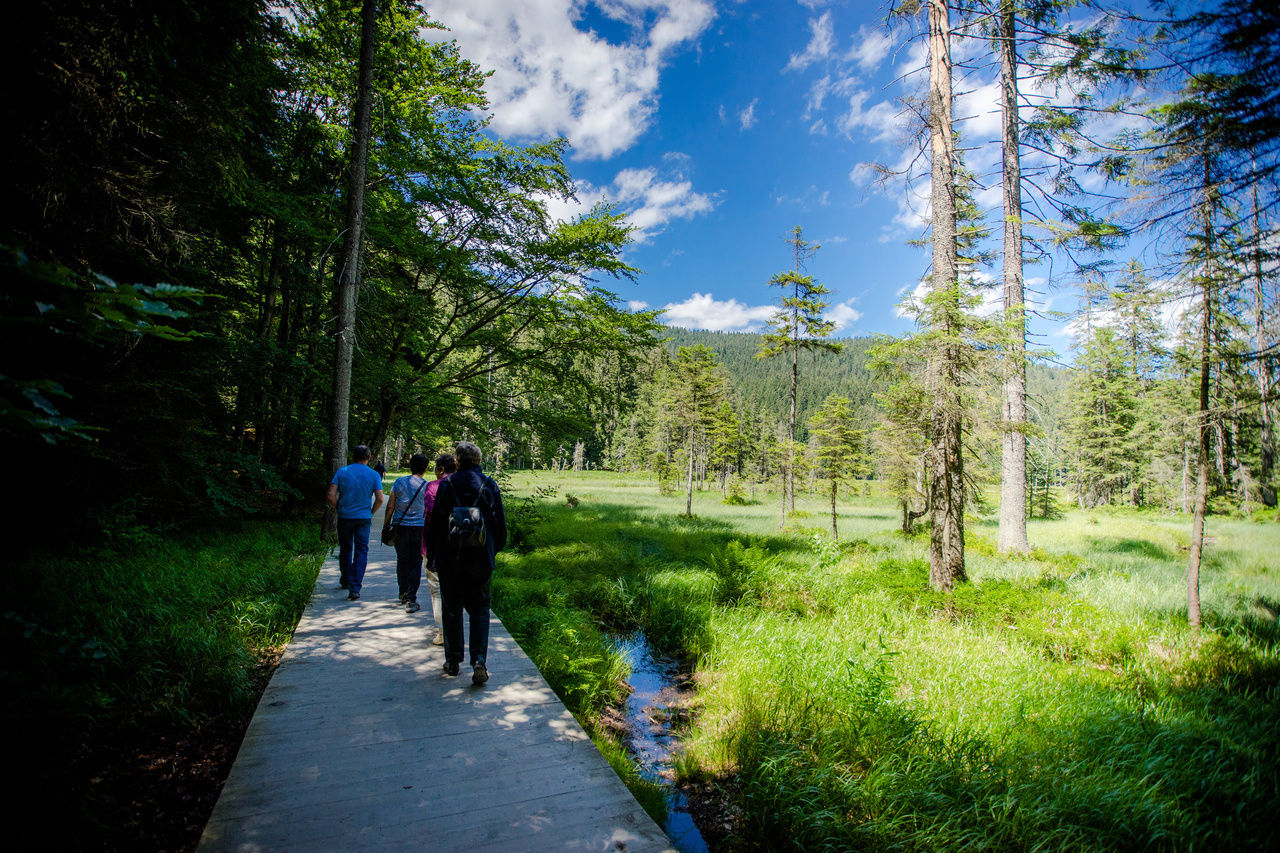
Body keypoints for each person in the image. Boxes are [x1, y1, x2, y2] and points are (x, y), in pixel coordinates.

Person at [427, 441, 506, 685]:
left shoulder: (448, 484)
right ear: (479, 461)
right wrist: (494, 549)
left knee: (451, 609)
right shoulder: (489, 484)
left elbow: (437, 522)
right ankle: (479, 661)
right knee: (480, 610)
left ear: (458, 461)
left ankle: (452, 661)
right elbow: (499, 525)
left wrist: (433, 556)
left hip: (451, 558)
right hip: (481, 560)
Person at [327, 444, 385, 601]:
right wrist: (371, 512)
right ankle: (355, 587)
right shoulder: (373, 475)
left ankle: (345, 579)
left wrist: (339, 507)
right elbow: (380, 498)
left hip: (345, 517)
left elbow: (331, 495)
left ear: (353, 456)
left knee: (345, 549)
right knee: (361, 551)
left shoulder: (342, 471)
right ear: (369, 457)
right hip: (363, 518)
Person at [383, 453, 431, 613]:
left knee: (402, 560)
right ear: (425, 468)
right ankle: (411, 598)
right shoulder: (427, 486)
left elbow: (390, 506)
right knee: (415, 562)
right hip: (419, 528)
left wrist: (386, 525)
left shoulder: (399, 482)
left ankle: (402, 592)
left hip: (400, 526)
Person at [421, 453, 458, 645]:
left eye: (436, 468)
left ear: (441, 469)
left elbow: (429, 514)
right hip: (460, 546)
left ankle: (443, 632)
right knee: (455, 589)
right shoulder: (462, 484)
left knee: (436, 589)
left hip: (434, 544)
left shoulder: (434, 486)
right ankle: (455, 630)